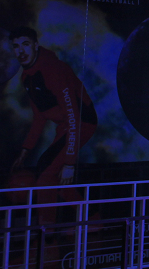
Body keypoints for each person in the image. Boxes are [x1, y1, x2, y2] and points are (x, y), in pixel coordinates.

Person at [9, 26, 98, 218]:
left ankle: (47, 230)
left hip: (82, 122)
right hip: (66, 126)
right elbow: (39, 117)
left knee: (46, 177)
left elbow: (74, 117)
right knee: (50, 173)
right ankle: (91, 219)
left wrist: (69, 164)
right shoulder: (27, 77)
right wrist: (25, 151)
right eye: (16, 46)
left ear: (35, 45)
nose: (21, 51)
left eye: (25, 44)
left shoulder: (53, 70)